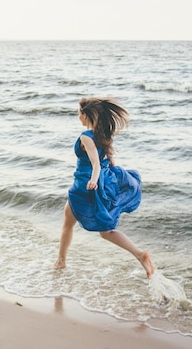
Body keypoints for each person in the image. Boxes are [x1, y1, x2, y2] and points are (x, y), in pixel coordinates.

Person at [54, 97, 155, 279]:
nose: (78, 117)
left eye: (79, 114)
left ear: (85, 115)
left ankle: (61, 262)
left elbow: (96, 164)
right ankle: (140, 254)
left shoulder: (86, 137)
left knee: (67, 224)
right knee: (106, 232)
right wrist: (114, 181)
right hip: (101, 185)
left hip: (85, 186)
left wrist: (93, 180)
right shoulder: (104, 135)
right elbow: (110, 162)